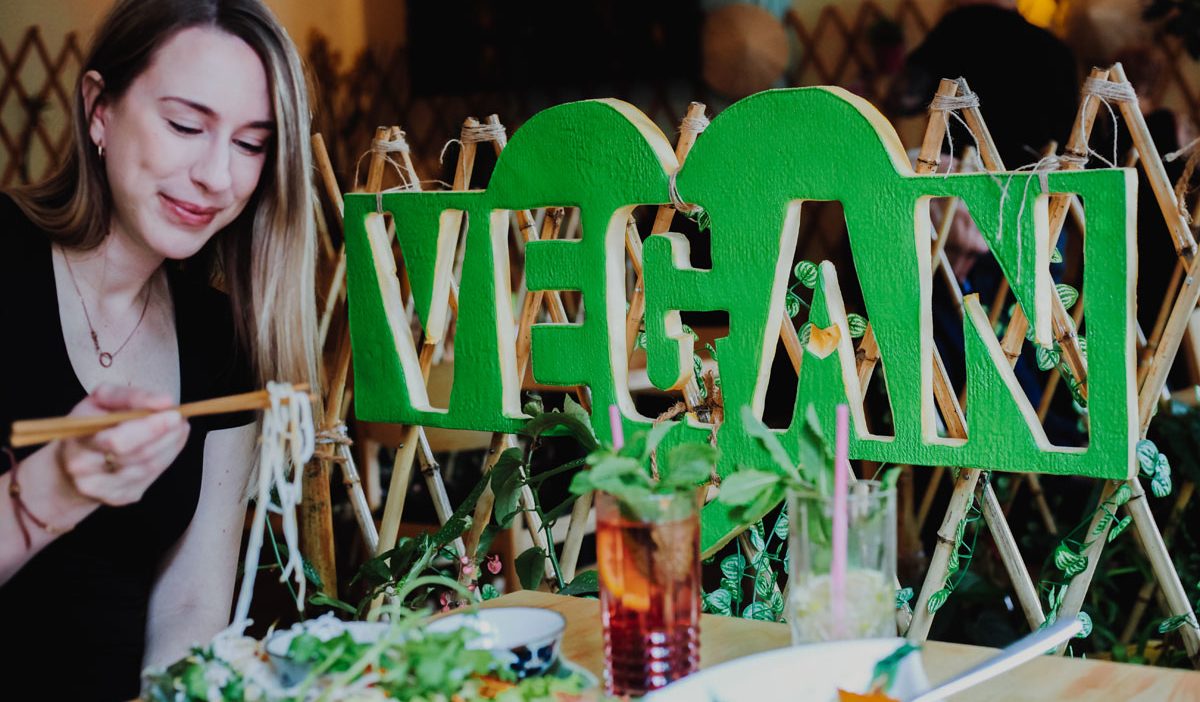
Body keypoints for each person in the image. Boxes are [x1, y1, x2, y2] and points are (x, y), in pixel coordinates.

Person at [0, 1, 318, 699]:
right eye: (185, 125)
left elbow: (190, 608)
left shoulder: (223, 341)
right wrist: (54, 488)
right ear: (98, 110)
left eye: (252, 143)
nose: (216, 176)